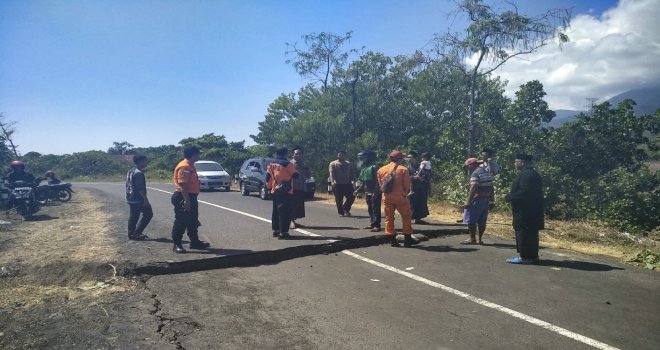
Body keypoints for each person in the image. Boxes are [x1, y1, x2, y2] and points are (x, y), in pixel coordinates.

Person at [505, 154, 544, 264]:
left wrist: (509, 197)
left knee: (524, 232)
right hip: (532, 210)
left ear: (522, 162)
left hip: (525, 211)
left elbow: (525, 192)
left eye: (516, 161)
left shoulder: (527, 175)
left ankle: (525, 257)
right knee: (531, 234)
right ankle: (532, 256)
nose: (514, 164)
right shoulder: (532, 174)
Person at [170, 146, 211, 253]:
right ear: (193, 154)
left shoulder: (190, 165)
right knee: (181, 221)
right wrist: (186, 200)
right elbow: (183, 184)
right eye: (198, 154)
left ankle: (194, 242)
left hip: (190, 196)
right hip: (183, 196)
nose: (199, 155)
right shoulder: (185, 166)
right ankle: (177, 244)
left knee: (193, 220)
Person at [377, 150, 418, 247]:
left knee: (389, 218)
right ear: (399, 159)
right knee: (406, 217)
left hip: (387, 198)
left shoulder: (381, 170)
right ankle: (407, 240)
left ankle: (392, 240)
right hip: (400, 197)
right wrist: (405, 193)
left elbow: (381, 185)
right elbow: (407, 185)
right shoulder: (403, 169)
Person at [266, 147, 298, 239]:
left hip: (274, 189)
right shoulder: (287, 164)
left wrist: (268, 188)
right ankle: (283, 232)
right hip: (285, 190)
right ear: (286, 153)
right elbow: (296, 175)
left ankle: (276, 230)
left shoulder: (271, 164)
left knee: (275, 211)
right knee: (284, 212)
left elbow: (268, 177)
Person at [462, 157, 494, 245]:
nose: (468, 168)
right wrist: (492, 200)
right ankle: (480, 239)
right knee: (482, 221)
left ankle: (472, 239)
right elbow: (491, 187)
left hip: (477, 199)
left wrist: (468, 201)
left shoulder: (475, 174)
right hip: (486, 199)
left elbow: (473, 188)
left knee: (471, 220)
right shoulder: (486, 172)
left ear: (472, 165)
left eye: (468, 166)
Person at [125, 155, 152, 241]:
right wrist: (145, 199)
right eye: (145, 160)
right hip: (137, 198)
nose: (146, 162)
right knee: (148, 214)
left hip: (130, 197)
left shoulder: (131, 171)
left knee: (133, 216)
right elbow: (140, 188)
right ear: (140, 161)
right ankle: (136, 232)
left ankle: (132, 233)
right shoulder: (139, 173)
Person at [355, 150, 381, 232]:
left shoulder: (374, 167)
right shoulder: (365, 168)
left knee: (375, 208)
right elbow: (363, 181)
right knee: (370, 208)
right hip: (368, 192)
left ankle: (377, 225)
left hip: (375, 192)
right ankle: (372, 223)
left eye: (362, 158)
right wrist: (358, 190)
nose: (361, 161)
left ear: (369, 158)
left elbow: (378, 181)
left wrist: (376, 192)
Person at [328, 150, 355, 217]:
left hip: (347, 183)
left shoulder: (349, 163)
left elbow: (352, 173)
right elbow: (331, 173)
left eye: (342, 155)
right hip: (337, 184)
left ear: (345, 156)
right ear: (337, 155)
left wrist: (353, 180)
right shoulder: (333, 163)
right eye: (339, 155)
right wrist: (332, 181)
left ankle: (345, 209)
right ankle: (341, 212)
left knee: (351, 197)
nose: (341, 156)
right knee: (339, 199)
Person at [406, 151, 431, 224]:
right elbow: (406, 178)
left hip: (422, 187)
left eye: (411, 157)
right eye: (408, 157)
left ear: (415, 158)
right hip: (412, 188)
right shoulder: (407, 167)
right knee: (412, 203)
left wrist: (429, 187)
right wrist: (413, 178)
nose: (409, 159)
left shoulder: (421, 166)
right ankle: (411, 218)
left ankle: (418, 219)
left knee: (421, 203)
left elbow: (428, 176)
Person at [289, 147, 310, 229]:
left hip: (301, 186)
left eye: (300, 154)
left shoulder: (304, 164)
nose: (298, 155)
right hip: (292, 187)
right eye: (296, 154)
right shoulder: (289, 163)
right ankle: (291, 221)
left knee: (298, 205)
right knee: (292, 204)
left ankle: (294, 220)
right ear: (293, 154)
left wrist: (306, 171)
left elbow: (308, 175)